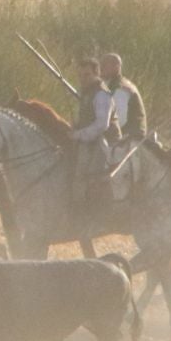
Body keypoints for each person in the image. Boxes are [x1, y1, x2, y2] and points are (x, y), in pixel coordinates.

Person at [68, 57, 112, 219]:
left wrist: (78, 135)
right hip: (85, 139)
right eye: (80, 76)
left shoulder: (101, 94)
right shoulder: (86, 93)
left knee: (87, 177)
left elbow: (102, 125)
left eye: (86, 75)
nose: (82, 79)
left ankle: (87, 215)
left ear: (96, 73)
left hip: (101, 142)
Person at [99, 53, 145, 142]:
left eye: (104, 65)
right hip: (123, 139)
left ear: (116, 67)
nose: (101, 68)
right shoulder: (112, 85)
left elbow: (120, 120)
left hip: (129, 141)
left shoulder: (121, 89)